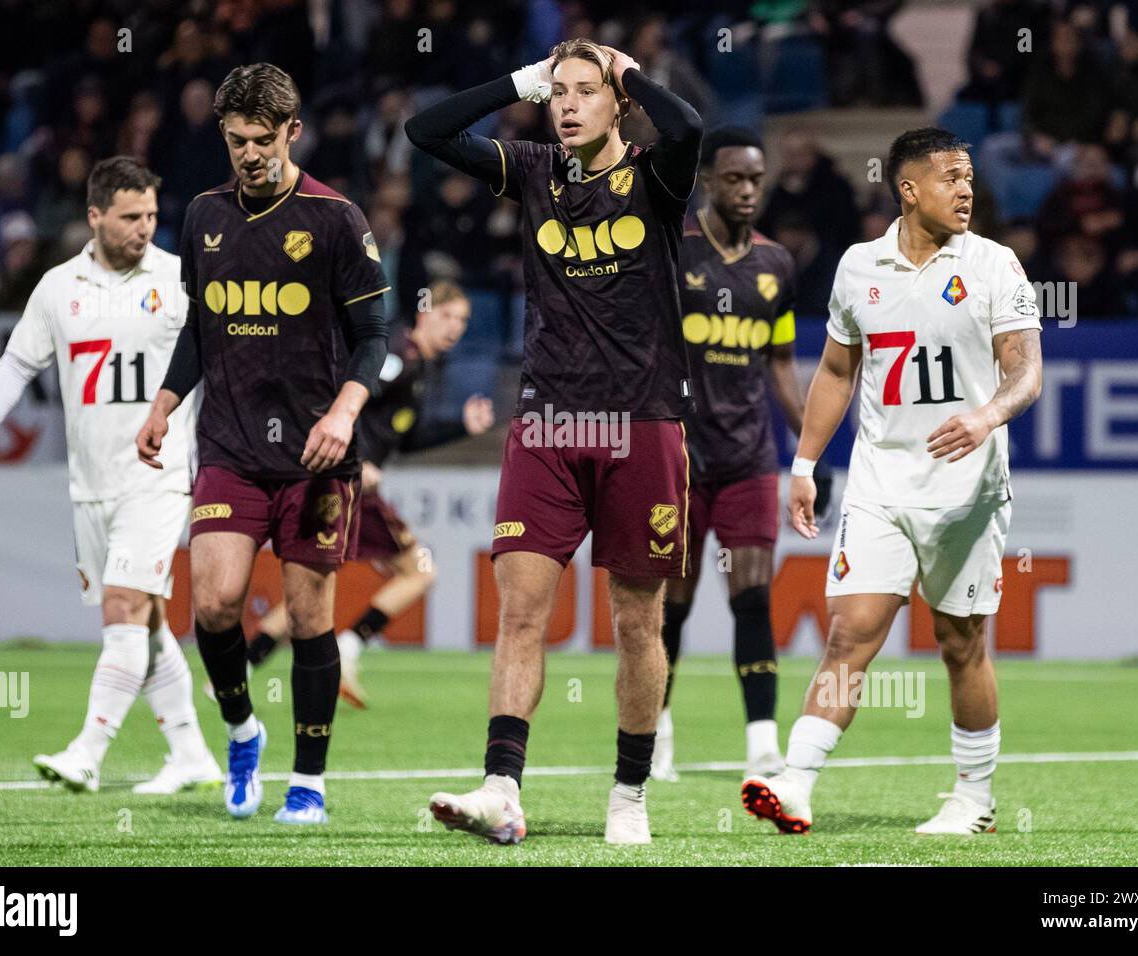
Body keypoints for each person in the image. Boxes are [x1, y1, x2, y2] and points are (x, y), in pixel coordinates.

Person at [405, 38, 702, 844]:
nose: (566, 105)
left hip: (643, 421)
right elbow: (423, 130)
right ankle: (502, 788)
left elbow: (691, 127)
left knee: (638, 622)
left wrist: (630, 70)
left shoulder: (655, 175)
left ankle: (630, 795)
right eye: (556, 93)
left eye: (584, 92)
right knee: (520, 615)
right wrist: (515, 80)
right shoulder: (534, 168)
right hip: (547, 423)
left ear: (618, 105)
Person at [744, 128, 1043, 835]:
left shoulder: (996, 265)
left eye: (969, 176)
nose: (966, 188)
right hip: (881, 481)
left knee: (959, 638)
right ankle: (795, 782)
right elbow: (838, 373)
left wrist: (987, 416)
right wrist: (805, 464)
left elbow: (1026, 370)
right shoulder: (858, 267)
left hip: (967, 487)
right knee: (851, 632)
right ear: (908, 189)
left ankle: (974, 799)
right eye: (949, 176)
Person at [136, 63, 389, 825]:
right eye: (236, 139)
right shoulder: (205, 215)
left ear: (292, 133)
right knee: (213, 604)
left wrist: (344, 410)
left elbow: (375, 333)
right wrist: (163, 404)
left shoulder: (336, 219)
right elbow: (199, 328)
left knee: (310, 618)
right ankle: (243, 730)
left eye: (262, 140)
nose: (249, 154)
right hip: (230, 448)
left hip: (317, 456)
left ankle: (308, 779)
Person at [0, 156, 221, 795]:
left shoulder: (180, 279)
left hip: (157, 477)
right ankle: (190, 752)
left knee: (124, 605)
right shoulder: (57, 288)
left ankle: (88, 750)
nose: (144, 229)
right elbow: (19, 363)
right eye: (131, 217)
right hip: (90, 485)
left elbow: (226, 355)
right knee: (148, 616)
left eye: (153, 217)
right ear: (95, 217)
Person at [237, 280, 494, 706]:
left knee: (316, 581)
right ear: (425, 314)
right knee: (420, 570)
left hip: (345, 481)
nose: (456, 328)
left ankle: (243, 666)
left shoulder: (421, 367)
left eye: (463, 321)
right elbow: (347, 397)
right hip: (348, 480)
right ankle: (351, 646)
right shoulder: (398, 356)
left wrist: (460, 427)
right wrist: (358, 458)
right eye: (448, 316)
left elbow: (404, 439)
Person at [651, 127, 804, 782]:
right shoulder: (673, 248)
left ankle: (763, 743)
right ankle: (655, 729)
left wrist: (812, 440)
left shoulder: (777, 267)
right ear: (708, 181)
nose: (747, 191)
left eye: (756, 180)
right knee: (673, 604)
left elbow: (780, 361)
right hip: (678, 458)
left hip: (748, 455)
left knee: (752, 597)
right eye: (735, 179)